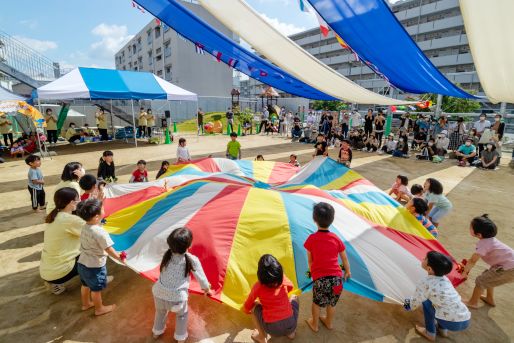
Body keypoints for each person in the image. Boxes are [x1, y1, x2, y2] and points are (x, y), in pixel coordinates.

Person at [152, 228, 211, 342]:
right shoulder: (192, 259)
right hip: (177, 299)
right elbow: (202, 279)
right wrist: (207, 289)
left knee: (160, 312)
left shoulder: (167, 255)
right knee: (182, 316)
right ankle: (180, 338)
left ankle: (156, 332)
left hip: (158, 293)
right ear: (189, 245)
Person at [304, 202, 351, 332]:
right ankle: (329, 322)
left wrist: (314, 273)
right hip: (337, 279)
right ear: (332, 219)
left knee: (316, 302)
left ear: (314, 219)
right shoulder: (336, 238)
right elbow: (344, 258)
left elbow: (310, 260)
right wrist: (347, 271)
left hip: (321, 279)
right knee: (332, 302)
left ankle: (315, 324)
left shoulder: (311, 239)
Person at [403, 251, 470, 341]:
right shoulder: (445, 279)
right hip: (465, 318)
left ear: (429, 269)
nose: (423, 259)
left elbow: (416, 300)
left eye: (425, 259)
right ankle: (442, 330)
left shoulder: (425, 282)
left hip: (451, 322)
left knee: (426, 302)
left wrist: (407, 305)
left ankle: (430, 333)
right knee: (442, 305)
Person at [76, 199, 125, 316]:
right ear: (97, 217)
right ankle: (99, 309)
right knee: (96, 290)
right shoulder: (100, 232)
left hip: (82, 262)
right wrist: (119, 257)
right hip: (94, 266)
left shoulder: (85, 226)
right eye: (102, 209)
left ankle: (86, 303)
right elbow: (108, 248)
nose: (104, 209)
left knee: (85, 285)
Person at [461, 214, 514, 309]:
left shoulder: (483, 244)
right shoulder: (490, 240)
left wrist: (465, 272)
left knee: (481, 281)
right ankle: (489, 298)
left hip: (508, 268)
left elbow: (473, 260)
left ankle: (473, 302)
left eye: (471, 227)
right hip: (507, 265)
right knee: (488, 276)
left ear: (479, 234)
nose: (469, 228)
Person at [243, 254, 298, 342]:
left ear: (260, 275)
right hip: (290, 324)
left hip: (272, 330)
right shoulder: (283, 279)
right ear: (279, 271)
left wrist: (246, 309)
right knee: (294, 297)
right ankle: (291, 334)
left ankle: (261, 336)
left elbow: (249, 303)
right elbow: (291, 286)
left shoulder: (258, 286)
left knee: (254, 307)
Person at [39, 187, 84, 295]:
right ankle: (95, 280)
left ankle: (55, 285)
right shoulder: (69, 220)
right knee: (92, 250)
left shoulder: (54, 216)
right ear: (72, 202)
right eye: (78, 199)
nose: (80, 201)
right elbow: (93, 230)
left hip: (46, 272)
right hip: (61, 272)